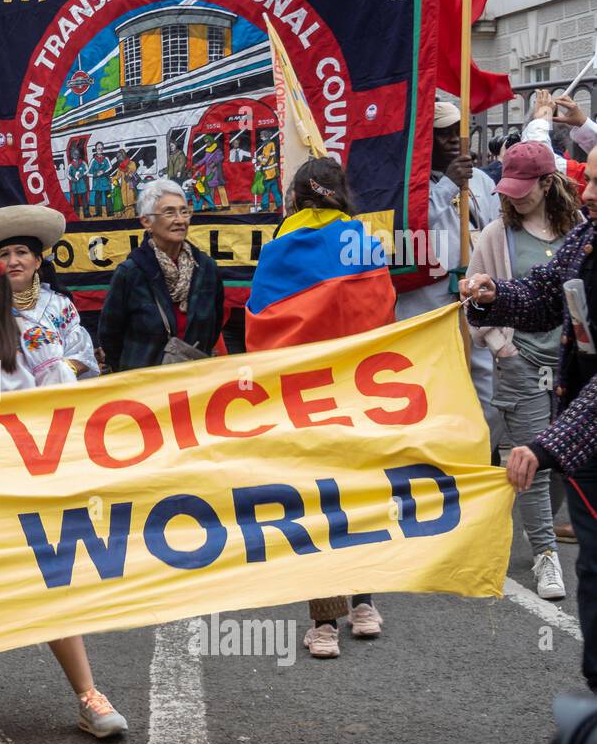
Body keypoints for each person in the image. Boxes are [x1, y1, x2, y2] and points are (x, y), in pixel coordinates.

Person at [0, 246, 128, 738]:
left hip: (27, 485)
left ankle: (87, 695)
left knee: (49, 583)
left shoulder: (32, 339)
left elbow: (59, 405)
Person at [461, 144, 597, 693]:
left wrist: (546, 444)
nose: (587, 192)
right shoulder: (587, 238)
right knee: (592, 569)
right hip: (579, 428)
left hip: (580, 421)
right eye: (588, 183)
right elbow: (546, 295)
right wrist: (492, 298)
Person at [246, 157, 394, 658]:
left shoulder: (279, 247)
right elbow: (384, 313)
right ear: (339, 193)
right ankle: (366, 605)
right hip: (364, 389)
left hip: (304, 394)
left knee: (316, 501)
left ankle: (325, 624)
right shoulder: (364, 242)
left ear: (295, 196)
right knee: (364, 492)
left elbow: (263, 323)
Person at [467, 140, 583, 600]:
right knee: (529, 459)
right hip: (522, 363)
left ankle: (542, 531)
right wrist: (500, 345)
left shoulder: (579, 230)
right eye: (508, 189)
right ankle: (546, 554)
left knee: (561, 458)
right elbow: (476, 296)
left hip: (571, 364)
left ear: (549, 183)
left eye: (523, 188)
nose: (514, 197)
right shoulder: (496, 234)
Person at [394, 99, 500, 431]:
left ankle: (486, 450)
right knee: (431, 382)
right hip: (428, 304)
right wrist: (447, 186)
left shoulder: (480, 180)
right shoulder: (407, 185)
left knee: (487, 383)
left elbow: (495, 228)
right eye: (444, 133)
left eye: (459, 131)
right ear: (427, 137)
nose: (455, 140)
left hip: (475, 300)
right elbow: (408, 229)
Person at [99, 178, 226, 371]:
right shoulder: (131, 273)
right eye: (169, 212)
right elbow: (110, 337)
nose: (180, 220)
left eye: (184, 211)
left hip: (197, 383)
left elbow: (213, 327)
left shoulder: (206, 269)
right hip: (146, 388)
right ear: (146, 221)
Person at [0, 203, 98, 378]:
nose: (13, 262)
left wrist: (55, 374)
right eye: (4, 254)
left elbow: (81, 353)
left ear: (37, 261)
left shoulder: (58, 304)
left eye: (21, 252)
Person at [89, 143, 113, 217]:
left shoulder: (106, 159)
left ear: (103, 149)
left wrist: (103, 171)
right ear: (96, 149)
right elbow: (88, 173)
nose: (100, 150)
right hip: (97, 183)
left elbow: (110, 167)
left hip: (106, 182)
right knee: (98, 198)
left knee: (108, 197)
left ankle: (110, 212)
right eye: (98, 148)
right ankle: (98, 213)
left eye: (101, 148)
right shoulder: (93, 160)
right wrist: (96, 174)